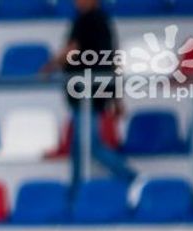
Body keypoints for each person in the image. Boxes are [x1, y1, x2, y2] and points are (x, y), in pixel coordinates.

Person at [44, 0, 135, 186]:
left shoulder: (86, 20)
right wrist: (117, 98)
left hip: (87, 91)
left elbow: (72, 50)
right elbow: (113, 61)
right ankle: (76, 192)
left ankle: (132, 178)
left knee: (90, 145)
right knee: (78, 147)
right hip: (96, 90)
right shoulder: (105, 22)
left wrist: (49, 66)